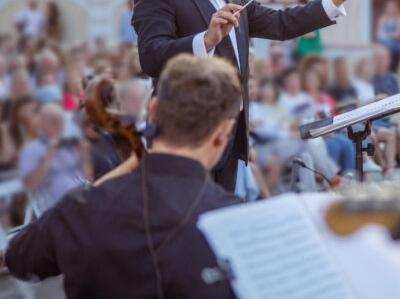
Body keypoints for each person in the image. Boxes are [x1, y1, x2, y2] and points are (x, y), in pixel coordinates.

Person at [132, 0, 366, 191]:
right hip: (187, 134)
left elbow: (280, 24)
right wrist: (204, 40)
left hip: (232, 130)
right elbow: (151, 56)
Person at [5, 54, 243, 298]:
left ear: (153, 111)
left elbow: (19, 259)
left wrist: (96, 189)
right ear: (224, 132)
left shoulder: (82, 208)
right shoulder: (237, 218)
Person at [17, 103, 93, 214]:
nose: (59, 125)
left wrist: (85, 157)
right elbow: (29, 185)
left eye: (61, 121)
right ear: (42, 124)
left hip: (85, 198)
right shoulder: (31, 150)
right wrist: (48, 156)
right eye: (54, 122)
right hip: (61, 209)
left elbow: (88, 178)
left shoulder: (68, 144)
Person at [376, 0, 400, 72]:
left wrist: (386, 35)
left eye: (392, 7)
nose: (391, 8)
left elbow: (398, 35)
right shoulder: (383, 19)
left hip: (395, 50)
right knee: (384, 71)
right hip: (384, 51)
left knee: (393, 71)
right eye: (389, 7)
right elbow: (379, 35)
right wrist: (391, 35)